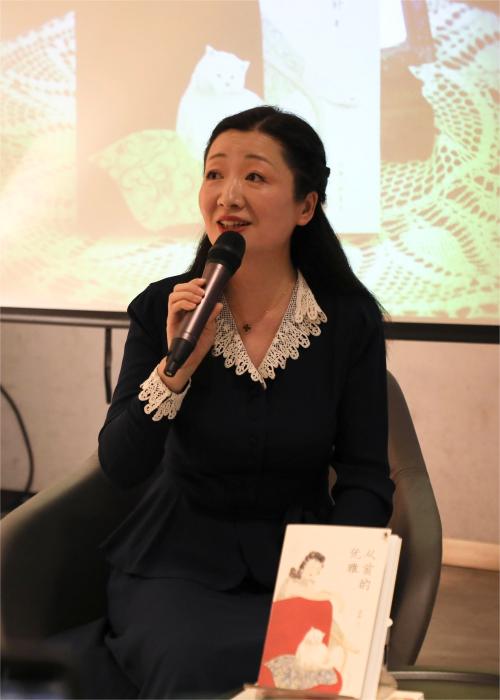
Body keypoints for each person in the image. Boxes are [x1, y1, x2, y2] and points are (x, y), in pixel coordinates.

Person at [92, 105, 394, 699]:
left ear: (306, 206)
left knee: (312, 673)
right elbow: (120, 465)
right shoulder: (162, 308)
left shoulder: (347, 319)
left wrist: (334, 584)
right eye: (214, 174)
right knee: (190, 664)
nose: (228, 195)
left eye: (255, 176)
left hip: (305, 564)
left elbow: (365, 476)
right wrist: (176, 368)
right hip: (176, 563)